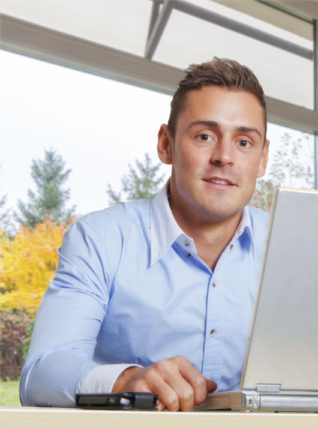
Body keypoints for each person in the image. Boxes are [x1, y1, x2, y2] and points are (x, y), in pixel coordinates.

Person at [20, 58, 271, 412]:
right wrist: (126, 382)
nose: (224, 157)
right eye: (204, 136)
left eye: (244, 142)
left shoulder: (293, 249)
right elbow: (41, 373)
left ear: (262, 160)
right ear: (166, 144)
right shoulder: (99, 239)